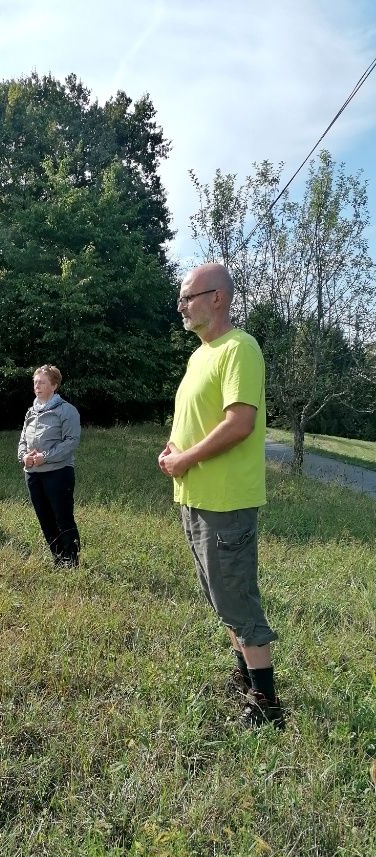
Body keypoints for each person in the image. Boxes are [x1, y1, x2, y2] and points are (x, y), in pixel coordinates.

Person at [158, 262, 284, 729]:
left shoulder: (240, 347)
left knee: (236, 599)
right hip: (195, 495)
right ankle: (247, 678)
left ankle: (267, 705)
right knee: (218, 596)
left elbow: (239, 423)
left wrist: (186, 459)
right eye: (181, 298)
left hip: (226, 500)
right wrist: (175, 449)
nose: (182, 306)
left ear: (218, 298)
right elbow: (200, 418)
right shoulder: (199, 356)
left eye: (188, 297)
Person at [18, 364, 81, 567]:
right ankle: (58, 559)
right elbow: (22, 441)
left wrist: (45, 457)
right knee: (45, 518)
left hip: (58, 473)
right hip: (33, 474)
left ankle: (72, 562)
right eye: (35, 382)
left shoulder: (67, 411)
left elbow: (71, 441)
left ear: (54, 385)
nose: (37, 386)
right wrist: (24, 457)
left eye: (42, 382)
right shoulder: (30, 412)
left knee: (62, 518)